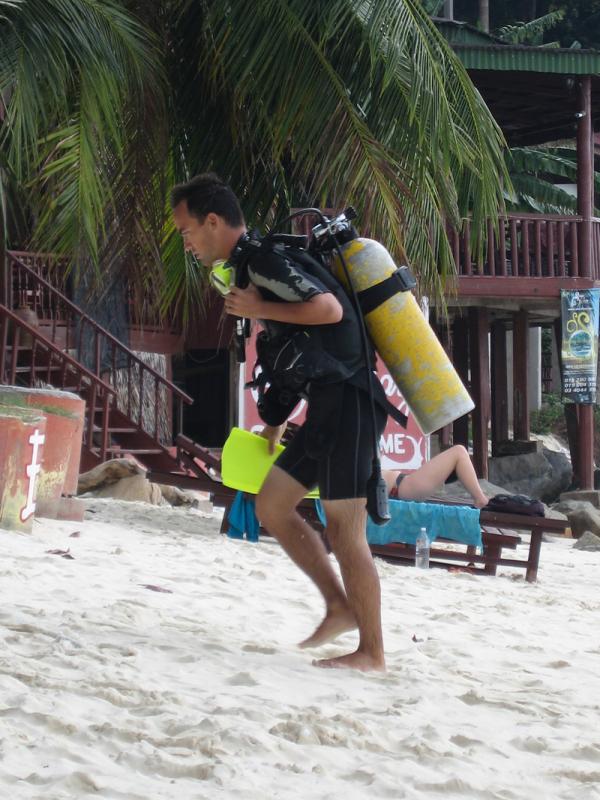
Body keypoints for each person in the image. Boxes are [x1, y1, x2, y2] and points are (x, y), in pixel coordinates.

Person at [170, 173, 389, 672]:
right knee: (271, 504)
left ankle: (372, 652)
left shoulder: (265, 262)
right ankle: (338, 607)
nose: (186, 243)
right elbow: (295, 354)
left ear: (212, 221)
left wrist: (258, 306)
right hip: (327, 409)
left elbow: (329, 311)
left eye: (187, 232)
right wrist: (272, 424)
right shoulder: (252, 265)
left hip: (351, 405)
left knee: (346, 530)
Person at [383, 445, 489, 509]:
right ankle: (480, 498)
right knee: (459, 451)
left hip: (399, 486)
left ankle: (480, 497)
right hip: (401, 487)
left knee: (459, 452)